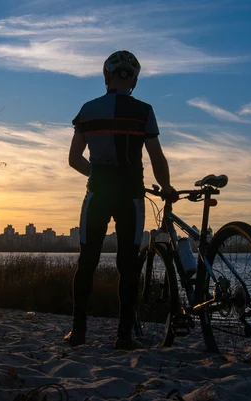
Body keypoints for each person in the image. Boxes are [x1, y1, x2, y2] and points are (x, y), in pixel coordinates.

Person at [66, 50, 178, 350]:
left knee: (87, 261)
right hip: (131, 194)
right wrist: (166, 187)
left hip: (98, 192)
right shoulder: (144, 111)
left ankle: (78, 332)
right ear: (135, 81)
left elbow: (74, 159)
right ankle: (123, 336)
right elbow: (156, 155)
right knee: (128, 266)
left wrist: (98, 174)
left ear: (106, 77)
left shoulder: (88, 110)